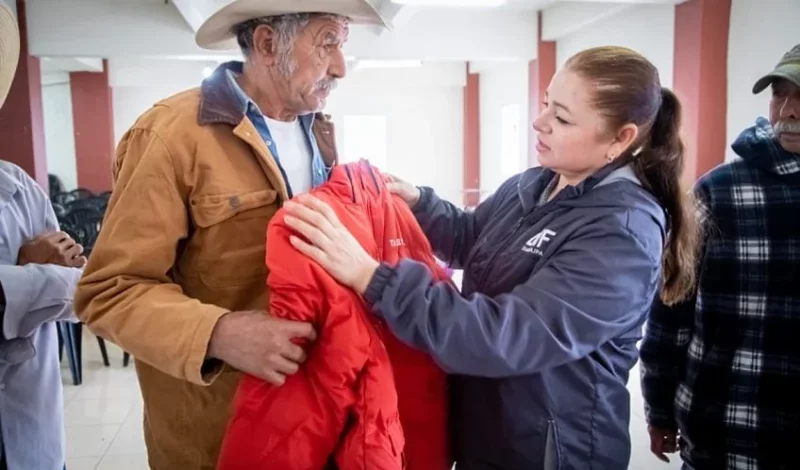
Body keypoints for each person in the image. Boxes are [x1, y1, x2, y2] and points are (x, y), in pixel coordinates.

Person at [282, 45, 700, 469]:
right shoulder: (539, 181)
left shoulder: (621, 232)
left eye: (562, 118)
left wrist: (373, 278)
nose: (539, 123)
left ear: (621, 137)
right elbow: (472, 238)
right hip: (492, 428)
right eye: (546, 105)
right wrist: (419, 205)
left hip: (550, 450)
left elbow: (502, 335)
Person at [73, 1, 387, 468]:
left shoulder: (318, 131)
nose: (341, 66)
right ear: (266, 43)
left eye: (343, 45)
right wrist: (218, 334)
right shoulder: (168, 137)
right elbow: (107, 293)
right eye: (327, 43)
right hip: (217, 434)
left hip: (316, 422)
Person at [640, 43, 800, 470]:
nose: (787, 110)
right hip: (726, 433)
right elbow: (671, 309)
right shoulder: (720, 192)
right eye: (779, 93)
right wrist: (658, 408)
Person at [0, 4, 87, 469]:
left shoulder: (18, 188)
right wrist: (32, 272)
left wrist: (19, 280)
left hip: (32, 429)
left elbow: (82, 294)